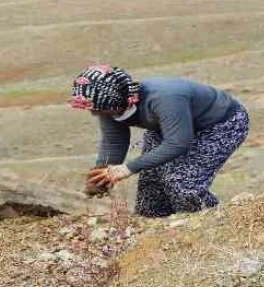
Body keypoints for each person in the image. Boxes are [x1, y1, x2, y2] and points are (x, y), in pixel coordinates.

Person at [70, 64, 249, 218]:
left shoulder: (165, 98)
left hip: (220, 125)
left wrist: (127, 168)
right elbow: (114, 142)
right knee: (150, 192)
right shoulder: (108, 107)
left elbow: (178, 143)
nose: (94, 113)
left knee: (182, 183)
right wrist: (100, 176)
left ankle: (213, 224)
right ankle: (162, 235)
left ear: (114, 101)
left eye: (96, 109)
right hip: (169, 128)